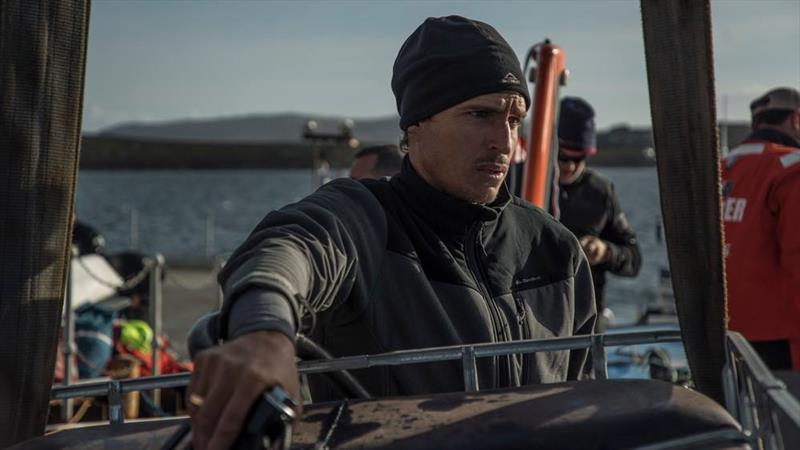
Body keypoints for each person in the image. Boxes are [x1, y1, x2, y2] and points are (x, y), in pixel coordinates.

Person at [187, 16, 596, 450]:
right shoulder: (365, 220)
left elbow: (590, 403)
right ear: (416, 125)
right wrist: (264, 335)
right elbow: (288, 246)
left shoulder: (554, 249)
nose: (504, 141)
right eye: (481, 114)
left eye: (514, 120)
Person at [721, 87, 800, 371]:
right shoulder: (791, 168)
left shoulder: (722, 168)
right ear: (795, 120)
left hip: (726, 339)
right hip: (782, 342)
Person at [555, 97, 641, 329]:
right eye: (563, 157)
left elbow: (633, 258)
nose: (569, 166)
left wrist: (605, 252)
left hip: (585, 320)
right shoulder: (521, 181)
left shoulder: (601, 191)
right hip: (533, 316)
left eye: (578, 158)